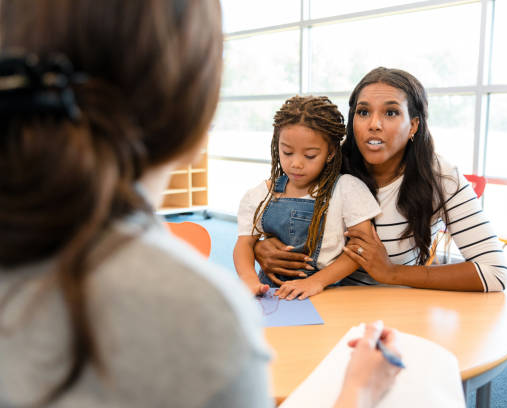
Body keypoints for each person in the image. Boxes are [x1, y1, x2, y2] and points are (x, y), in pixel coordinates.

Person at [0, 2, 399, 408]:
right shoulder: (202, 316)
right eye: (287, 151)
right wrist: (360, 392)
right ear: (196, 109)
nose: (295, 163)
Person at [255, 67, 507, 292]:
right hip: (323, 303)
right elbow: (278, 218)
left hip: (396, 310)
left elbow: (494, 272)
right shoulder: (325, 164)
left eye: (390, 113)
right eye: (363, 112)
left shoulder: (441, 177)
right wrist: (262, 248)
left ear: (413, 126)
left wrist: (392, 272)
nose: (374, 124)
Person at [234, 95, 380, 300]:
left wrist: (315, 282)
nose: (296, 164)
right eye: (287, 152)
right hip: (269, 293)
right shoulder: (259, 194)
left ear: (330, 153)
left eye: (310, 155)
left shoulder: (347, 189)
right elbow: (244, 244)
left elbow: (360, 249)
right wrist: (249, 279)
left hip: (322, 291)